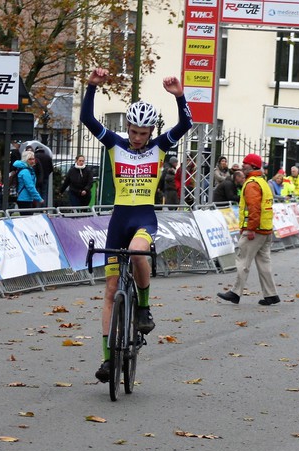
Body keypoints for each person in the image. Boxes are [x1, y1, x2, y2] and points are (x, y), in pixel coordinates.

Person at [80, 67, 193, 383]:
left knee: (138, 252)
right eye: (133, 132)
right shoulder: (115, 145)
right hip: (119, 219)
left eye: (143, 133)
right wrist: (91, 87)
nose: (138, 138)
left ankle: (143, 308)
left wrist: (179, 96)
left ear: (150, 132)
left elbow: (186, 124)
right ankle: (106, 360)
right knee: (111, 289)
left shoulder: (160, 147)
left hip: (144, 218)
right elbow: (89, 121)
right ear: (127, 127)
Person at [217, 153, 281, 306]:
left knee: (242, 261)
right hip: (265, 229)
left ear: (252, 166)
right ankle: (271, 295)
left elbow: (254, 208)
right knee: (264, 263)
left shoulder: (252, 183)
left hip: (254, 230)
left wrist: (250, 229)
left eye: (245, 163)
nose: (242, 165)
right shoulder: (263, 182)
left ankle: (235, 292)